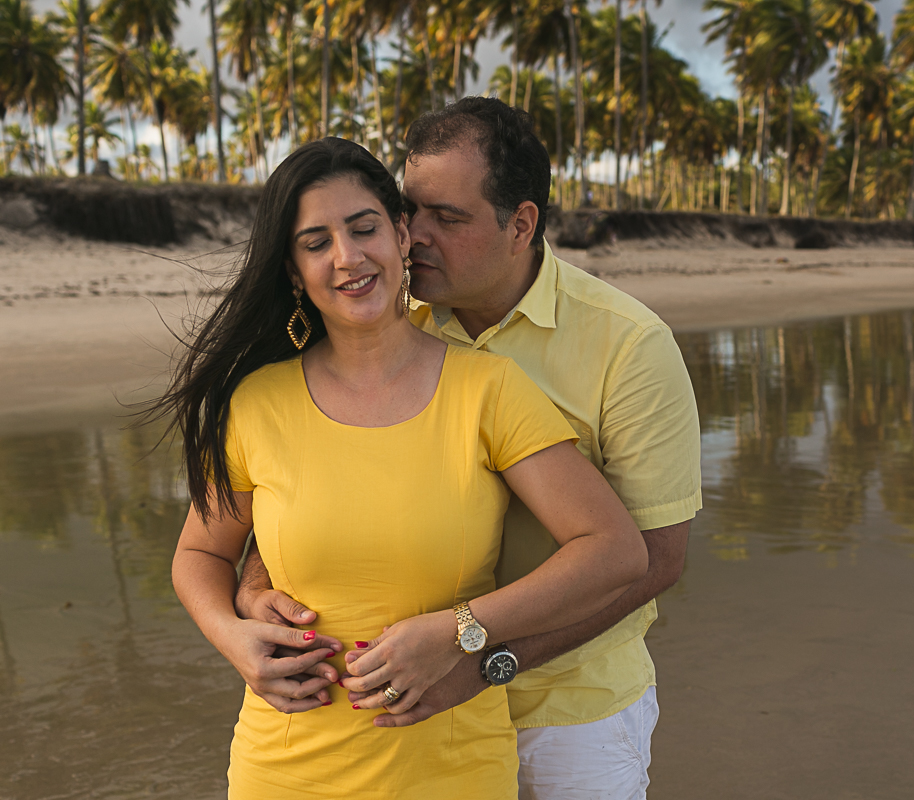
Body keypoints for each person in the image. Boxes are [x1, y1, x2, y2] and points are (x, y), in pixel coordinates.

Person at [239, 98, 702, 799]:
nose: (415, 237)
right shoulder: (381, 320)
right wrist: (253, 586)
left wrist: (483, 657)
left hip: (572, 706)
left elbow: (656, 560)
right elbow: (311, 475)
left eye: (448, 219)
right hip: (410, 721)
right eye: (411, 210)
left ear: (521, 225)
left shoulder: (628, 347)